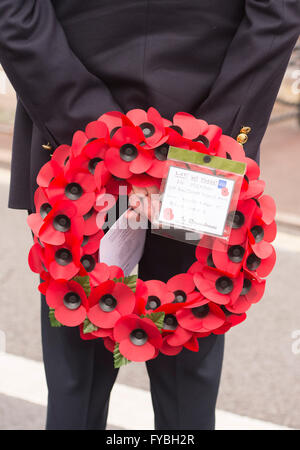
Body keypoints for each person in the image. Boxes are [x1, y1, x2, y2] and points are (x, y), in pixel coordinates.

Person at [0, 1, 299, 430]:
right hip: (191, 131)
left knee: (79, 382)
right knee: (182, 381)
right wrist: (201, 150)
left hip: (83, 143)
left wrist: (95, 136)